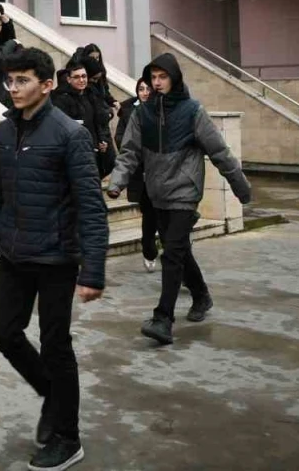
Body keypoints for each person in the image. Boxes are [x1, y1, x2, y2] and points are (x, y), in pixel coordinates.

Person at [0, 47, 108, 471]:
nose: (13, 89)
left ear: (47, 84)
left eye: (23, 81)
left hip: (56, 258)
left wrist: (93, 270)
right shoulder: (1, 134)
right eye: (9, 81)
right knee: (4, 334)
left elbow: (91, 207)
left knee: (56, 346)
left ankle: (67, 438)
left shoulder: (70, 135)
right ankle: (53, 394)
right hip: (14, 255)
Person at [108, 53, 252, 346]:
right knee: (180, 249)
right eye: (153, 78)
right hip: (157, 193)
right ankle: (201, 295)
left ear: (174, 78)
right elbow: (130, 151)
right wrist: (117, 182)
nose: (157, 83)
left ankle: (163, 319)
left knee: (172, 252)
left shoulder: (192, 111)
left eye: (163, 77)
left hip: (185, 192)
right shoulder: (142, 114)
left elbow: (219, 151)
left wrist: (241, 187)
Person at [109, 75, 159, 272]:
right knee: (149, 214)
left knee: (165, 215)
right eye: (141, 89)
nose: (145, 93)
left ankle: (174, 252)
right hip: (140, 171)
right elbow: (120, 137)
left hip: (162, 172)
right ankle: (149, 250)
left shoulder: (162, 109)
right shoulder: (129, 111)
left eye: (148, 89)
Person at [61, 63, 112, 177]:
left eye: (84, 76)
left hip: (94, 151)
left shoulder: (90, 95)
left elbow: (97, 121)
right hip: (76, 154)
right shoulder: (62, 99)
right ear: (69, 79)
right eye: (76, 77)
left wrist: (101, 140)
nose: (81, 80)